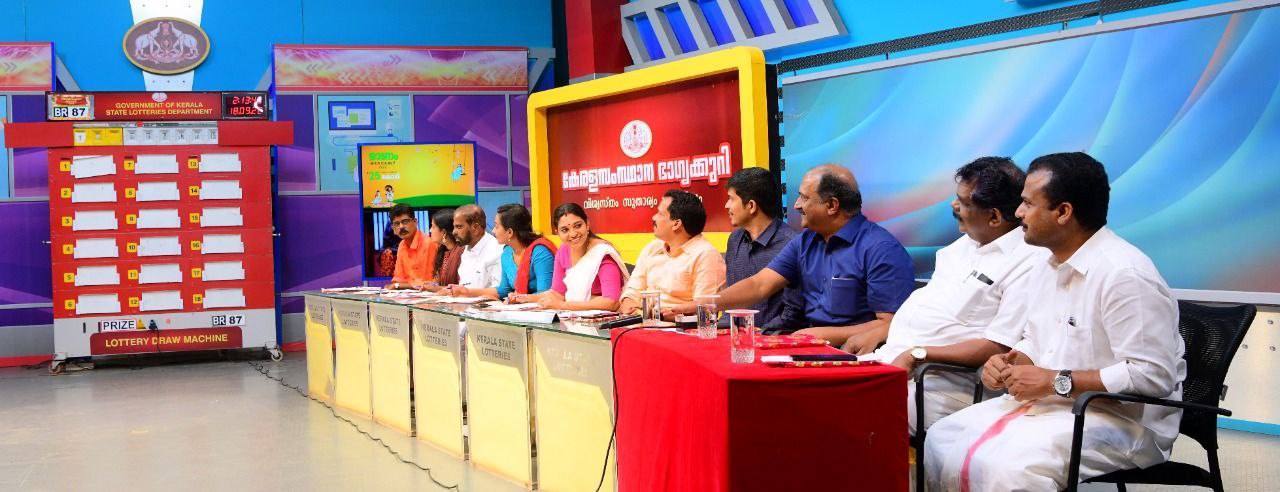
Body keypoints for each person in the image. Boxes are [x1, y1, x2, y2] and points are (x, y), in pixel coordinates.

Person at [924, 152, 1184, 491]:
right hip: (1057, 405)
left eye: (1028, 203)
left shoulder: (1124, 275)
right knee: (942, 438)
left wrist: (1053, 381)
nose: (1018, 213)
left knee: (1009, 468)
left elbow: (1151, 376)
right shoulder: (1045, 265)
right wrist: (1011, 362)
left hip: (1122, 419)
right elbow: (1036, 339)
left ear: (1063, 212)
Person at [870, 157, 1046, 435]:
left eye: (963, 202)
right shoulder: (963, 245)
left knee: (840, 410)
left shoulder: (1028, 261)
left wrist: (918, 354)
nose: (954, 206)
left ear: (994, 217)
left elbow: (998, 346)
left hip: (939, 385)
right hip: (890, 363)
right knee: (812, 389)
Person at [697, 164, 915, 353]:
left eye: (804, 198)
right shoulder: (806, 241)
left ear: (831, 205)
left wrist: (818, 335)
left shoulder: (881, 249)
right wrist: (702, 304)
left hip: (854, 356)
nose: (796, 205)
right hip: (807, 346)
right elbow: (759, 285)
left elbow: (890, 324)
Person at [719, 167, 803, 331]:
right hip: (736, 337)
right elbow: (731, 305)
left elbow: (792, 314)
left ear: (751, 206)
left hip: (774, 338)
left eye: (731, 199)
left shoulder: (791, 244)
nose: (726, 205)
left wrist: (759, 334)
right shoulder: (735, 240)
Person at [617, 190, 726, 316]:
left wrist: (649, 314)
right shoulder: (652, 248)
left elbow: (704, 311)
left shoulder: (706, 255)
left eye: (660, 213)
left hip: (677, 326)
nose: (654, 218)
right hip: (641, 322)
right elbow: (631, 293)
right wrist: (631, 308)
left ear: (676, 224)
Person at [514, 203, 628, 311]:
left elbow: (611, 302)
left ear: (587, 224)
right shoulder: (564, 250)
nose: (573, 234)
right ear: (557, 232)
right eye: (565, 230)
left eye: (578, 226)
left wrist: (563, 305)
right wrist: (526, 298)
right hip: (574, 316)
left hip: (606, 320)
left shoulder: (602, 253)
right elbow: (557, 294)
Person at [451, 204, 556, 300]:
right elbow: (503, 290)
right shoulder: (507, 253)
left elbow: (545, 294)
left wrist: (517, 299)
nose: (493, 231)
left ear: (509, 232)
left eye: (496, 226)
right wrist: (467, 292)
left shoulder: (540, 253)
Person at [445, 204, 502, 292]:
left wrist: (467, 293)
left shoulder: (496, 250)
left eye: (459, 227)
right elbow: (467, 286)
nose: (454, 232)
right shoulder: (466, 248)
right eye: (454, 227)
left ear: (475, 227)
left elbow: (499, 292)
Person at [386, 204, 436, 289]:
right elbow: (398, 278)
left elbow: (428, 284)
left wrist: (397, 286)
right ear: (393, 228)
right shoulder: (402, 245)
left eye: (405, 221)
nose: (401, 227)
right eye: (397, 224)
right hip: (407, 294)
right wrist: (396, 285)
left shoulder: (428, 244)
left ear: (415, 222)